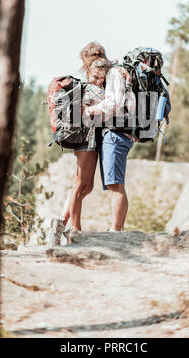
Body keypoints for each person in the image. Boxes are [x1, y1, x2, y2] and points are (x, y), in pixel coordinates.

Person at [50, 43, 110, 244]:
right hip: (86, 139)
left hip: (92, 139)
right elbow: (105, 104)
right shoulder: (91, 87)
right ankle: (75, 230)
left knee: (88, 186)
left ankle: (60, 224)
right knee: (80, 185)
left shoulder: (95, 80)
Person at [82, 62, 136, 232]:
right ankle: (117, 227)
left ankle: (116, 230)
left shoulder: (113, 74)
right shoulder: (115, 74)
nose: (98, 80)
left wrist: (89, 111)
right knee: (115, 185)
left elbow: (113, 104)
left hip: (116, 133)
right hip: (117, 133)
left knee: (115, 185)